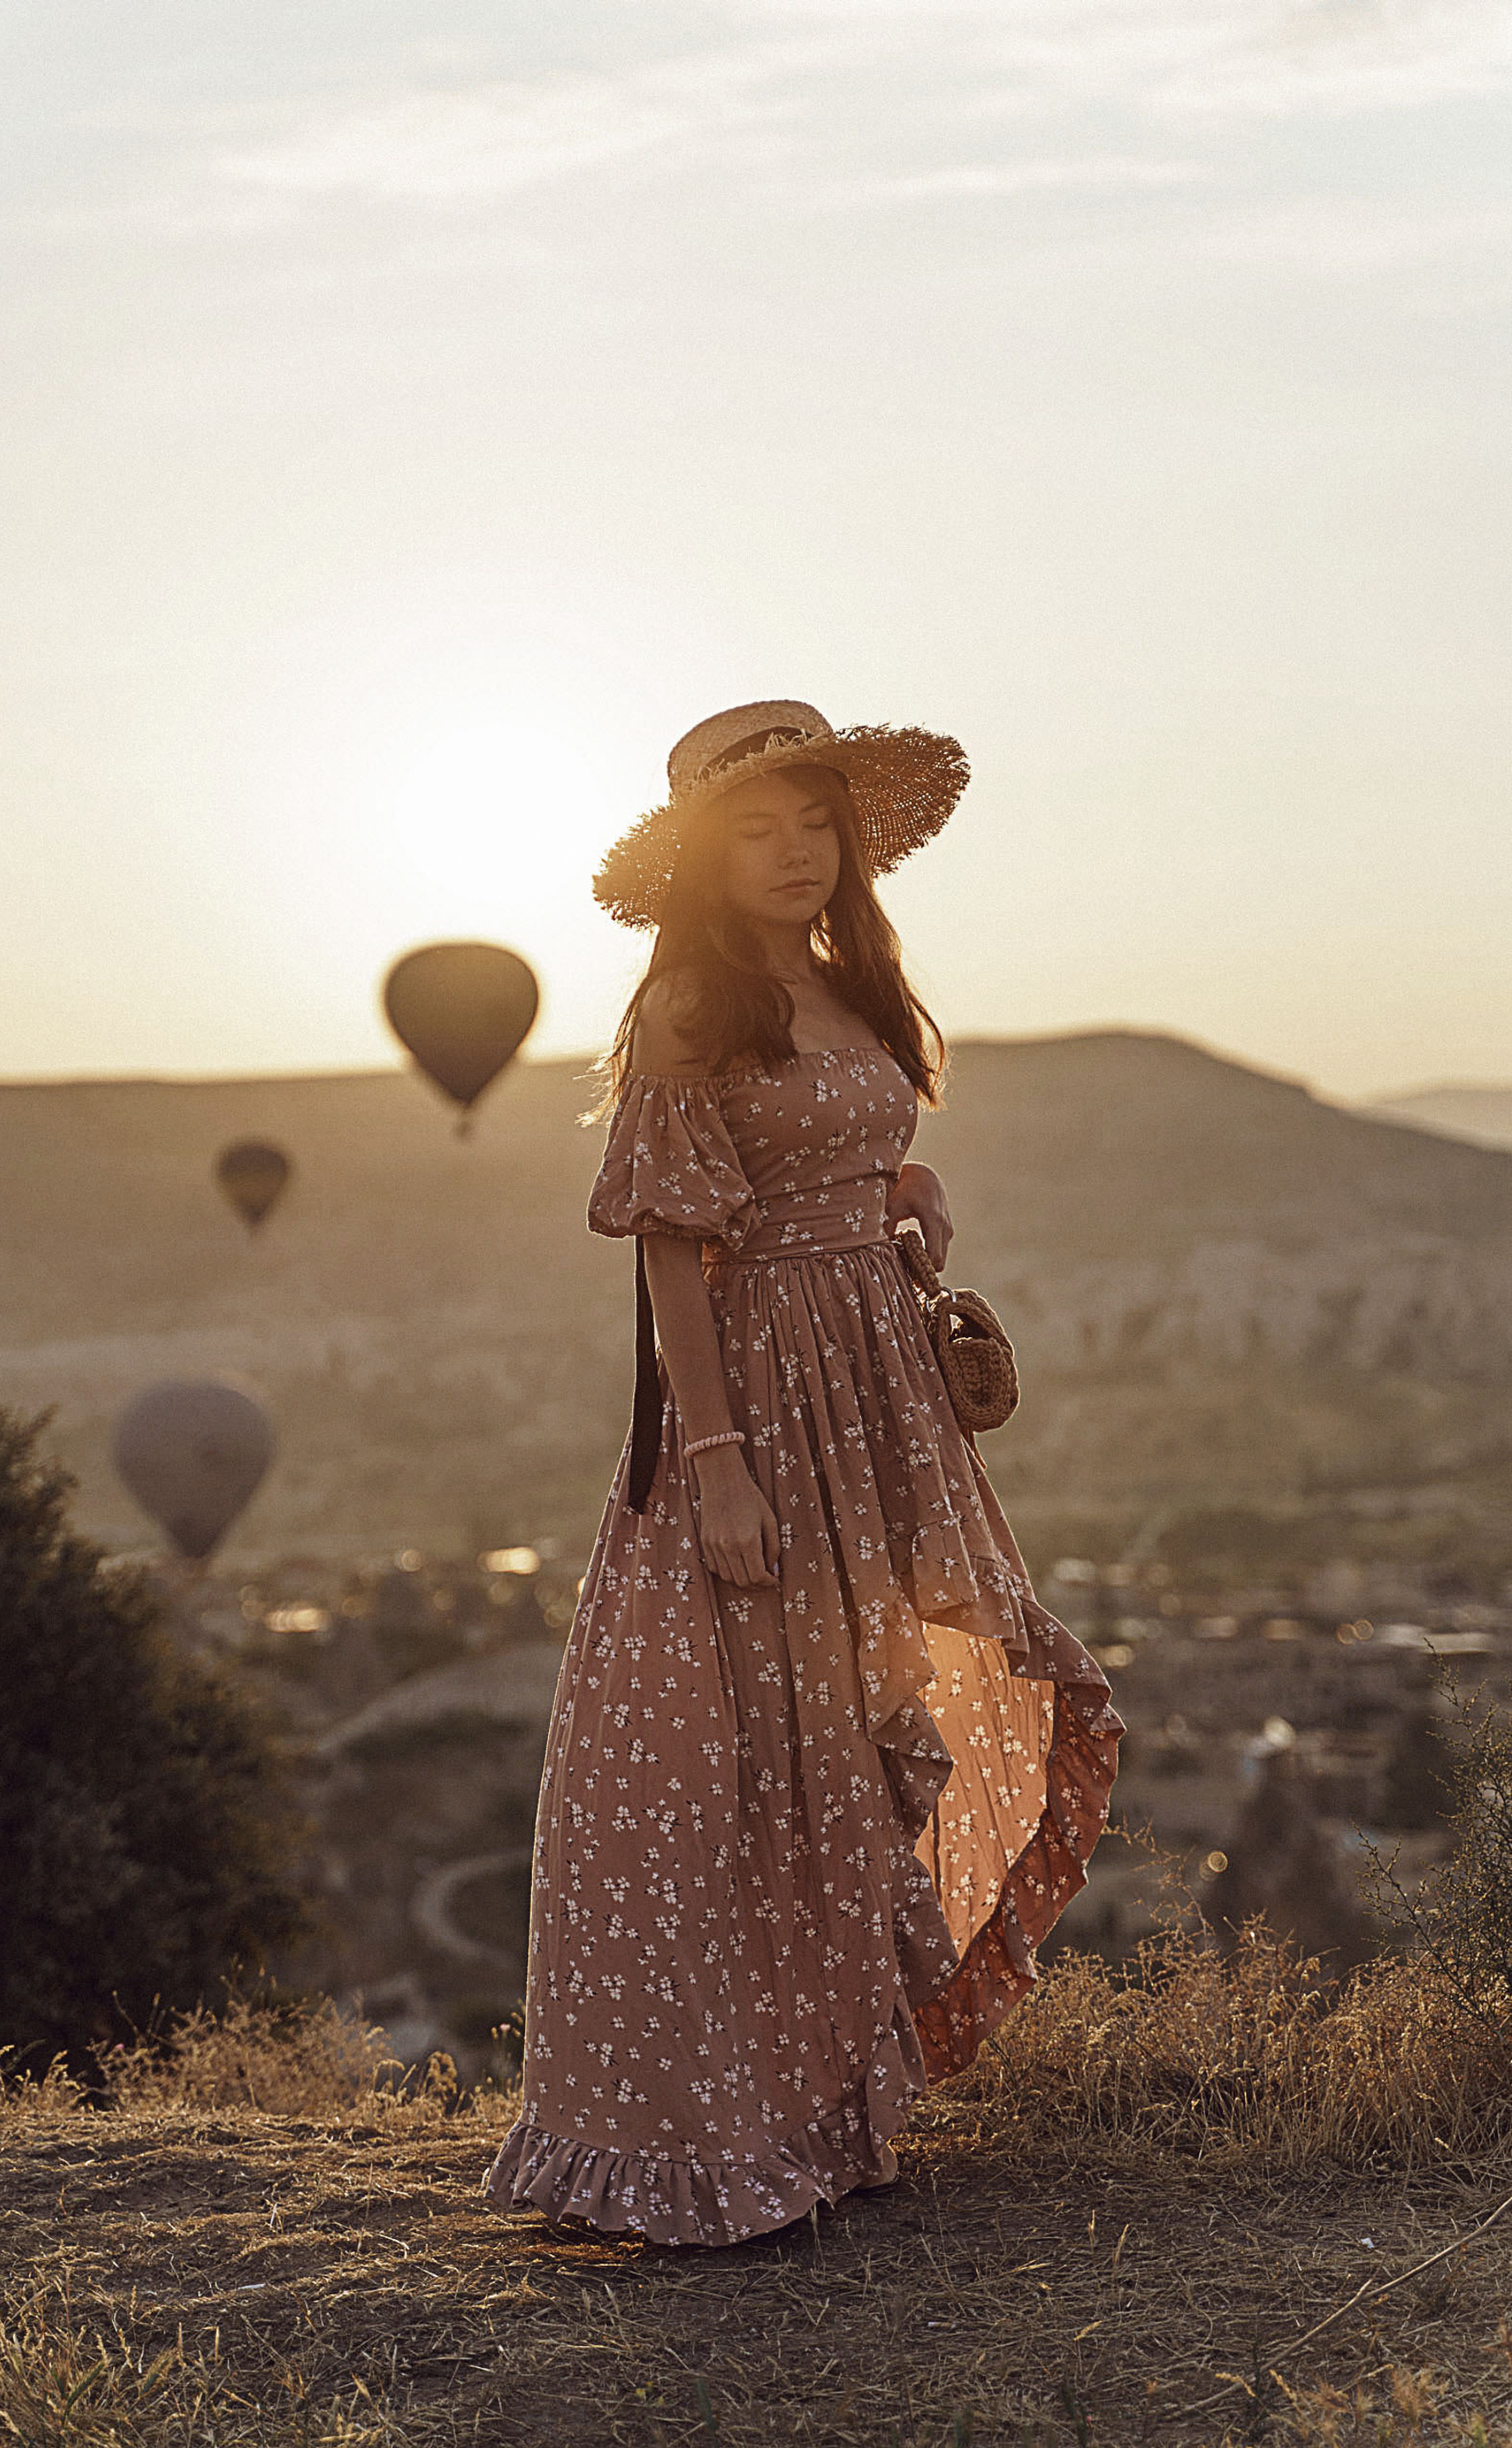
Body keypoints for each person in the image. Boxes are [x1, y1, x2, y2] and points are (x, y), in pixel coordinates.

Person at [484, 700, 1121, 2247]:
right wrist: (714, 1463)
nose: (792, 852)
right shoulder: (693, 1008)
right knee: (738, 1755)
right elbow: (676, 1250)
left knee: (859, 1732)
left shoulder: (852, 992)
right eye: (758, 829)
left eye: (815, 824)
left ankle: (828, 2107)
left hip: (878, 1394)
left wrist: (902, 1187)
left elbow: (827, 1154)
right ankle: (698, 2132)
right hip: (760, 1404)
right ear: (708, 857)